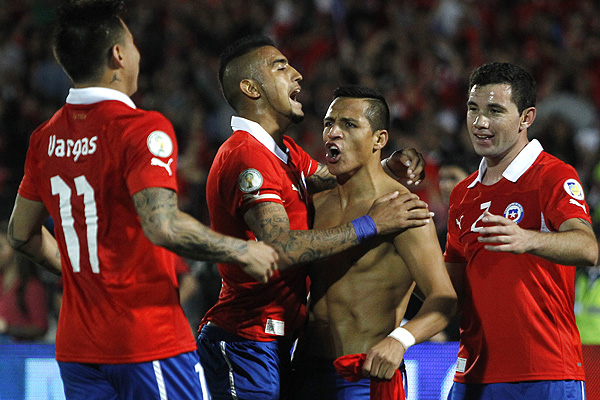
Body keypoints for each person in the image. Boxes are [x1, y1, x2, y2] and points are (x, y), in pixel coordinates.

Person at [6, 1, 279, 399]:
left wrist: (83, 275)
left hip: (77, 347)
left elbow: (20, 235)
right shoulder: (142, 128)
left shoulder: (44, 138)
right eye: (131, 43)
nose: (137, 52)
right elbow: (163, 225)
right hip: (146, 342)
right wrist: (242, 251)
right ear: (118, 55)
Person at [196, 35, 433, 400]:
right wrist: (370, 224)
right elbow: (280, 247)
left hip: (284, 348)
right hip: (245, 337)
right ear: (251, 88)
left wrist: (384, 161)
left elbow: (335, 174)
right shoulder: (247, 156)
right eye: (281, 67)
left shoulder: (283, 153)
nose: (297, 75)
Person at [291, 85, 457, 399]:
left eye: (349, 125)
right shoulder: (317, 200)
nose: (333, 133)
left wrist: (401, 339)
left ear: (379, 139)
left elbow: (444, 298)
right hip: (305, 372)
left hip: (363, 377)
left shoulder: (403, 210)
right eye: (329, 123)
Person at [444, 62, 598, 400]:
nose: (479, 122)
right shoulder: (463, 194)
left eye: (495, 111)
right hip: (472, 374)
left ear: (526, 118)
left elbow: (588, 248)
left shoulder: (551, 175)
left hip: (544, 372)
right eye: (473, 109)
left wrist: (528, 238)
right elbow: (450, 292)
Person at [0, 220, 48, 342]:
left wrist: (8, 328)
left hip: (20, 355)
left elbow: (40, 327)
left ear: (16, 251)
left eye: (1, 247)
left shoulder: (31, 286)